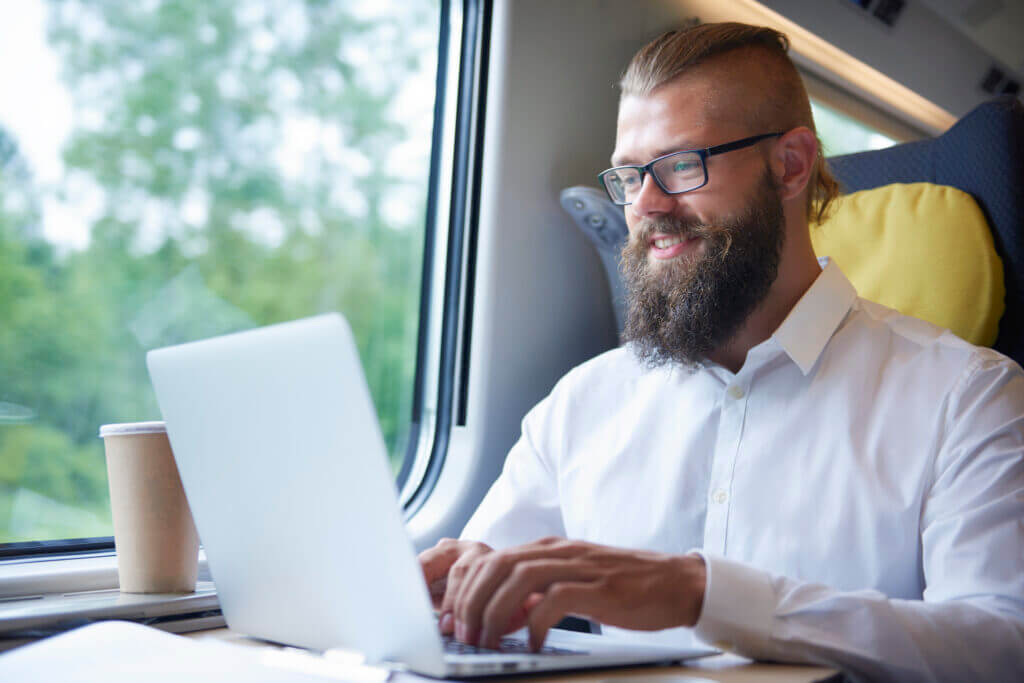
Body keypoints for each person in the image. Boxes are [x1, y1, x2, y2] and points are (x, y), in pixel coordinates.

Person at [418, 22, 1024, 682]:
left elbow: (1002, 642)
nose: (645, 205)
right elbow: (477, 581)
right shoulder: (583, 404)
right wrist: (440, 591)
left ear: (789, 166)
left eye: (681, 165)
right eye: (628, 174)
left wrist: (703, 593)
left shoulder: (967, 394)